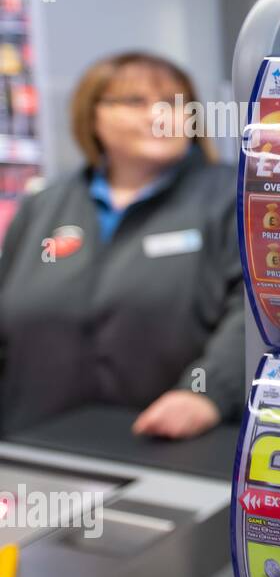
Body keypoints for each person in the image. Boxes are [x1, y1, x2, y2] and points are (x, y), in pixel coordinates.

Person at [0, 51, 243, 438]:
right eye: (135, 102)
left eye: (174, 103)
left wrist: (210, 392)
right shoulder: (43, 206)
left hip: (172, 449)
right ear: (91, 115)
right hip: (35, 445)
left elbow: (253, 312)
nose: (159, 115)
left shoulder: (233, 197)